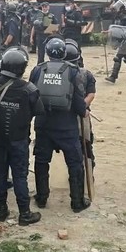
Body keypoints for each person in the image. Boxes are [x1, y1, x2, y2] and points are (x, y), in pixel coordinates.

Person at [30, 38, 90, 212]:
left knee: (41, 161)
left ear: (47, 52)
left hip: (43, 124)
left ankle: (42, 198)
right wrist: (83, 111)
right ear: (64, 53)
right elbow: (78, 99)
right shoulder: (73, 71)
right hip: (67, 126)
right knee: (74, 163)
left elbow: (31, 95)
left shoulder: (38, 69)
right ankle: (77, 202)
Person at [0, 49, 43, 225]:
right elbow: (39, 111)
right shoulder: (29, 89)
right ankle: (24, 213)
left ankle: (1, 210)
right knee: (19, 175)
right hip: (19, 139)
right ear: (22, 68)